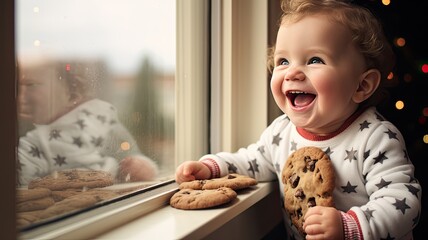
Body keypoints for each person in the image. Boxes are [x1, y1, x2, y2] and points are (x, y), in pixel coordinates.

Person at [175, 0, 422, 239]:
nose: (292, 72)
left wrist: (350, 226)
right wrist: (212, 168)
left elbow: (403, 201)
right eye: (283, 61)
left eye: (315, 60)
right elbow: (252, 161)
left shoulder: (375, 138)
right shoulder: (281, 132)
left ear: (362, 85)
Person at [17, 59, 158, 186]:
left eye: (31, 84)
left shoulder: (97, 115)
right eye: (16, 86)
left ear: (70, 91)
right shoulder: (29, 143)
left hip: (115, 198)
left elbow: (130, 154)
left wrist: (140, 166)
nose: (20, 94)